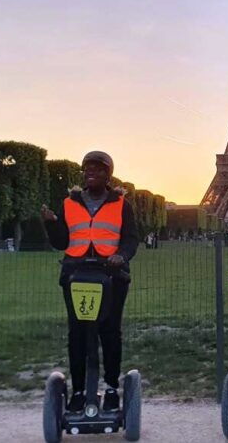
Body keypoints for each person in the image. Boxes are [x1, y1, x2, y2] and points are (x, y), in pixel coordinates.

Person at [41, 151, 139, 413]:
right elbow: (62, 242)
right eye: (87, 169)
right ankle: (80, 390)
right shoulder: (69, 203)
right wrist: (51, 224)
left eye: (97, 168)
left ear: (108, 174)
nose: (90, 172)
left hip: (112, 275)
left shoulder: (121, 204)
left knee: (109, 331)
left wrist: (121, 255)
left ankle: (109, 387)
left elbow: (130, 238)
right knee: (78, 333)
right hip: (76, 273)